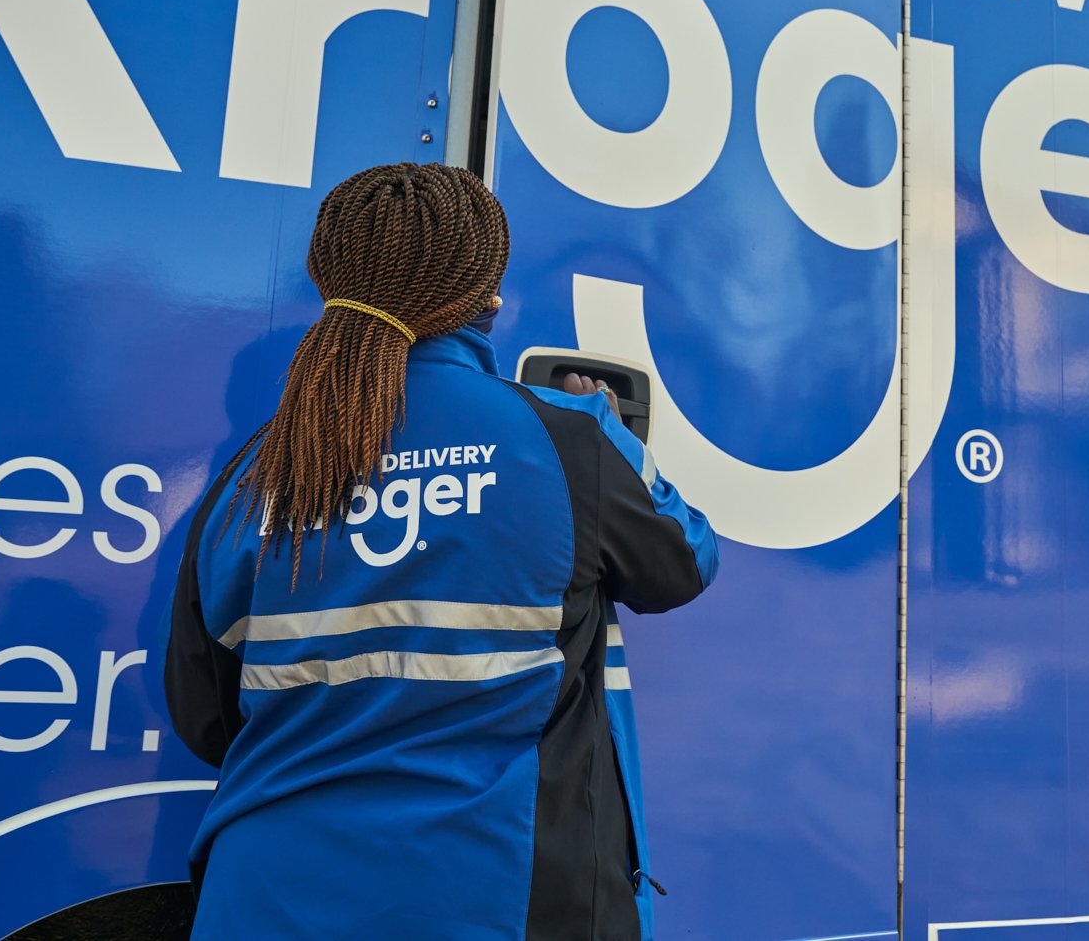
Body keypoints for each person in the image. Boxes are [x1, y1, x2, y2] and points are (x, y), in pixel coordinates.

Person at [164, 163, 718, 940]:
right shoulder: (568, 440)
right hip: (490, 901)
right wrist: (619, 443)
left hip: (262, 904)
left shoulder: (253, 476)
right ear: (488, 297)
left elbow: (207, 718)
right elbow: (682, 564)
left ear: (331, 281)